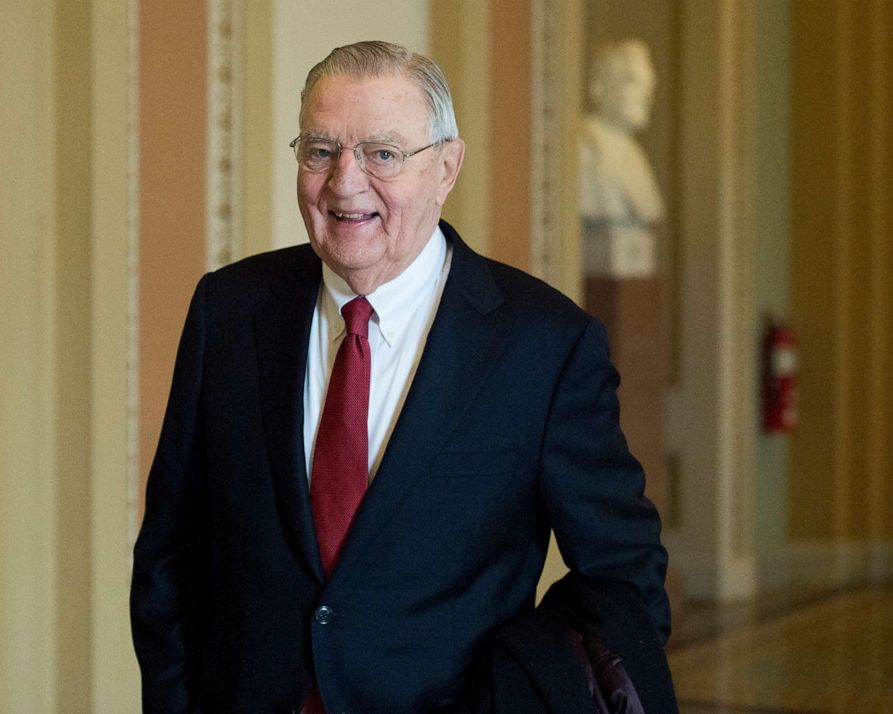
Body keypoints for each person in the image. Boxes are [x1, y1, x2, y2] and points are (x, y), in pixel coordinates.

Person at [131, 40, 675, 713]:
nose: (345, 182)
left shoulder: (544, 344)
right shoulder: (229, 311)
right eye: (320, 150)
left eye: (382, 153)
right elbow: (170, 554)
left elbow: (623, 582)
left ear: (446, 167)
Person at [581, 39, 666, 280]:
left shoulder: (637, 156)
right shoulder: (584, 150)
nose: (645, 92)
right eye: (632, 81)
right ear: (599, 86)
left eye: (648, 83)